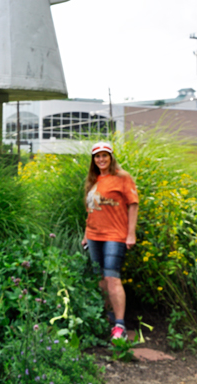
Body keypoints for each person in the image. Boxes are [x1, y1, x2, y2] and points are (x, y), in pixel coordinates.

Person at [81, 141, 139, 341]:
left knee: (112, 278)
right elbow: (91, 210)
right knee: (100, 279)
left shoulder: (123, 178)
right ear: (93, 160)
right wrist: (86, 234)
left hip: (115, 235)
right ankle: (106, 319)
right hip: (94, 236)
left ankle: (120, 326)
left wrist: (130, 234)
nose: (101, 159)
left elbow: (133, 205)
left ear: (111, 157)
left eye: (105, 155)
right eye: (97, 156)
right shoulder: (93, 179)